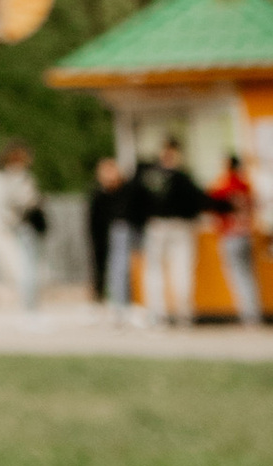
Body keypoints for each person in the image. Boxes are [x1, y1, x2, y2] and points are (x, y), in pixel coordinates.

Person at [134, 133, 211, 329]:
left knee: (158, 271)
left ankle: (159, 314)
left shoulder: (149, 176)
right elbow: (199, 201)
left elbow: (137, 202)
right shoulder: (183, 177)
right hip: (179, 227)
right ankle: (182, 314)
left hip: (158, 226)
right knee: (180, 269)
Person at [205, 154, 263, 326]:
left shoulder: (222, 186)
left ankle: (248, 315)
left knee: (237, 276)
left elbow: (210, 206)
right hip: (246, 234)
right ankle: (254, 313)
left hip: (230, 235)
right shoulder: (245, 185)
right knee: (249, 275)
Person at [0, 139, 47, 312]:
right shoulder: (17, 178)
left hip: (22, 225)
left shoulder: (8, 177)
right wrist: (34, 201)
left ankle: (31, 308)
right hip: (25, 225)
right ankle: (30, 309)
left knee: (30, 268)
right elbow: (20, 201)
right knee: (29, 269)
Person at [89, 153, 138, 317]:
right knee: (113, 269)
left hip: (123, 232)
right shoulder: (99, 194)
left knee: (122, 268)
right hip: (104, 236)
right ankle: (116, 303)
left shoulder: (126, 190)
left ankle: (123, 303)